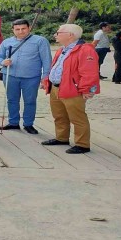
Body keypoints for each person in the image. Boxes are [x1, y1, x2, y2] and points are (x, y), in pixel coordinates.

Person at [42, 24, 99, 154]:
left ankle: (82, 144)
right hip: (56, 87)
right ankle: (61, 138)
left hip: (73, 89)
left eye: (58, 32)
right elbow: (57, 67)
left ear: (70, 35)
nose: (55, 35)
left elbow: (89, 72)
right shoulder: (63, 49)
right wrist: (47, 81)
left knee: (77, 117)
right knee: (59, 115)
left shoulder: (85, 50)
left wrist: (87, 90)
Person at [0, 19, 52, 134]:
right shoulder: (7, 42)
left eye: (23, 29)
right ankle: (13, 122)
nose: (21, 31)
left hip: (31, 77)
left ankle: (28, 124)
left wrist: (45, 77)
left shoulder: (40, 41)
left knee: (30, 101)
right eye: (17, 29)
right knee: (11, 100)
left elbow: (47, 60)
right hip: (10, 75)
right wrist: (3, 62)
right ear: (13, 30)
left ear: (29, 28)